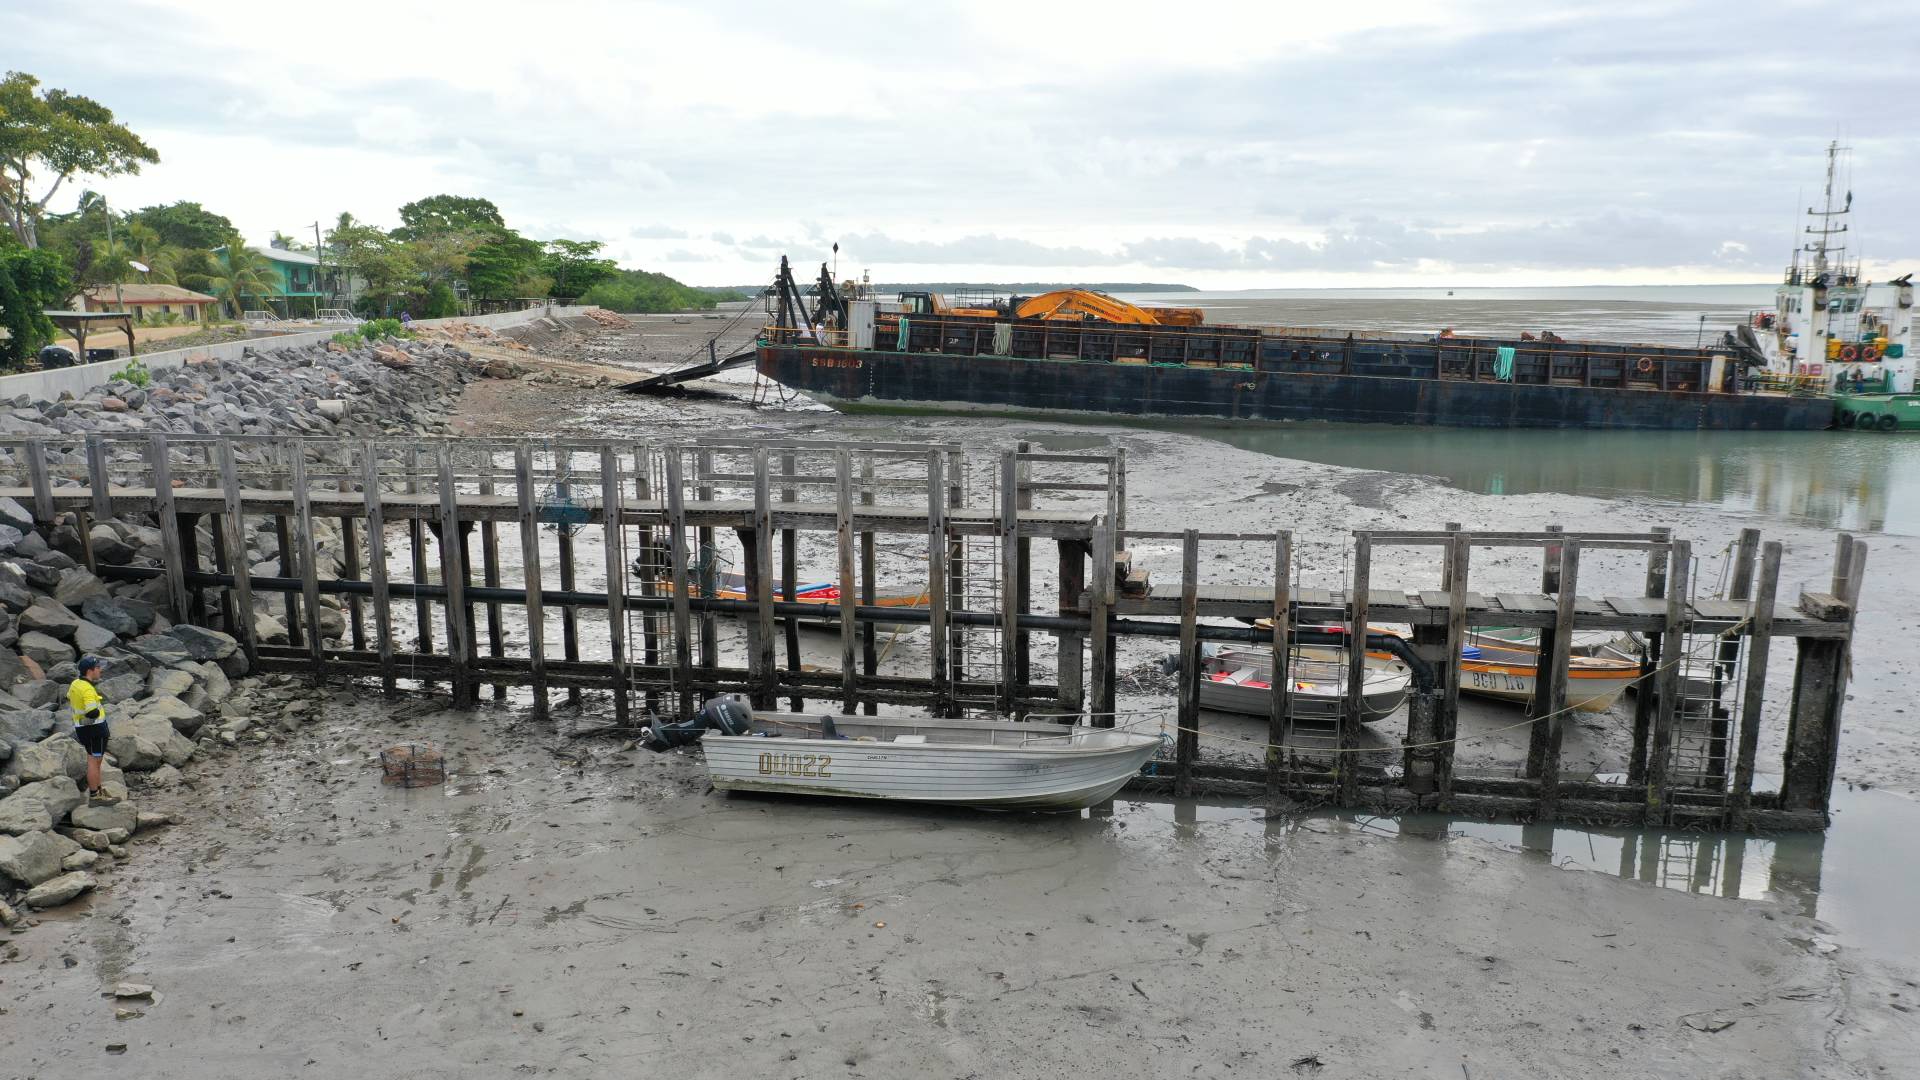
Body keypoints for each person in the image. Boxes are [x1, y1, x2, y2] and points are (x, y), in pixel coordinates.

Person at [69, 656, 110, 798]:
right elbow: (92, 712)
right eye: (98, 668)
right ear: (89, 671)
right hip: (95, 731)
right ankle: (95, 795)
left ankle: (99, 791)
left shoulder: (76, 683)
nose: (100, 670)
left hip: (83, 730)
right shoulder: (87, 689)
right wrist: (97, 709)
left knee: (93, 760)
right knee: (95, 762)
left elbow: (69, 696)